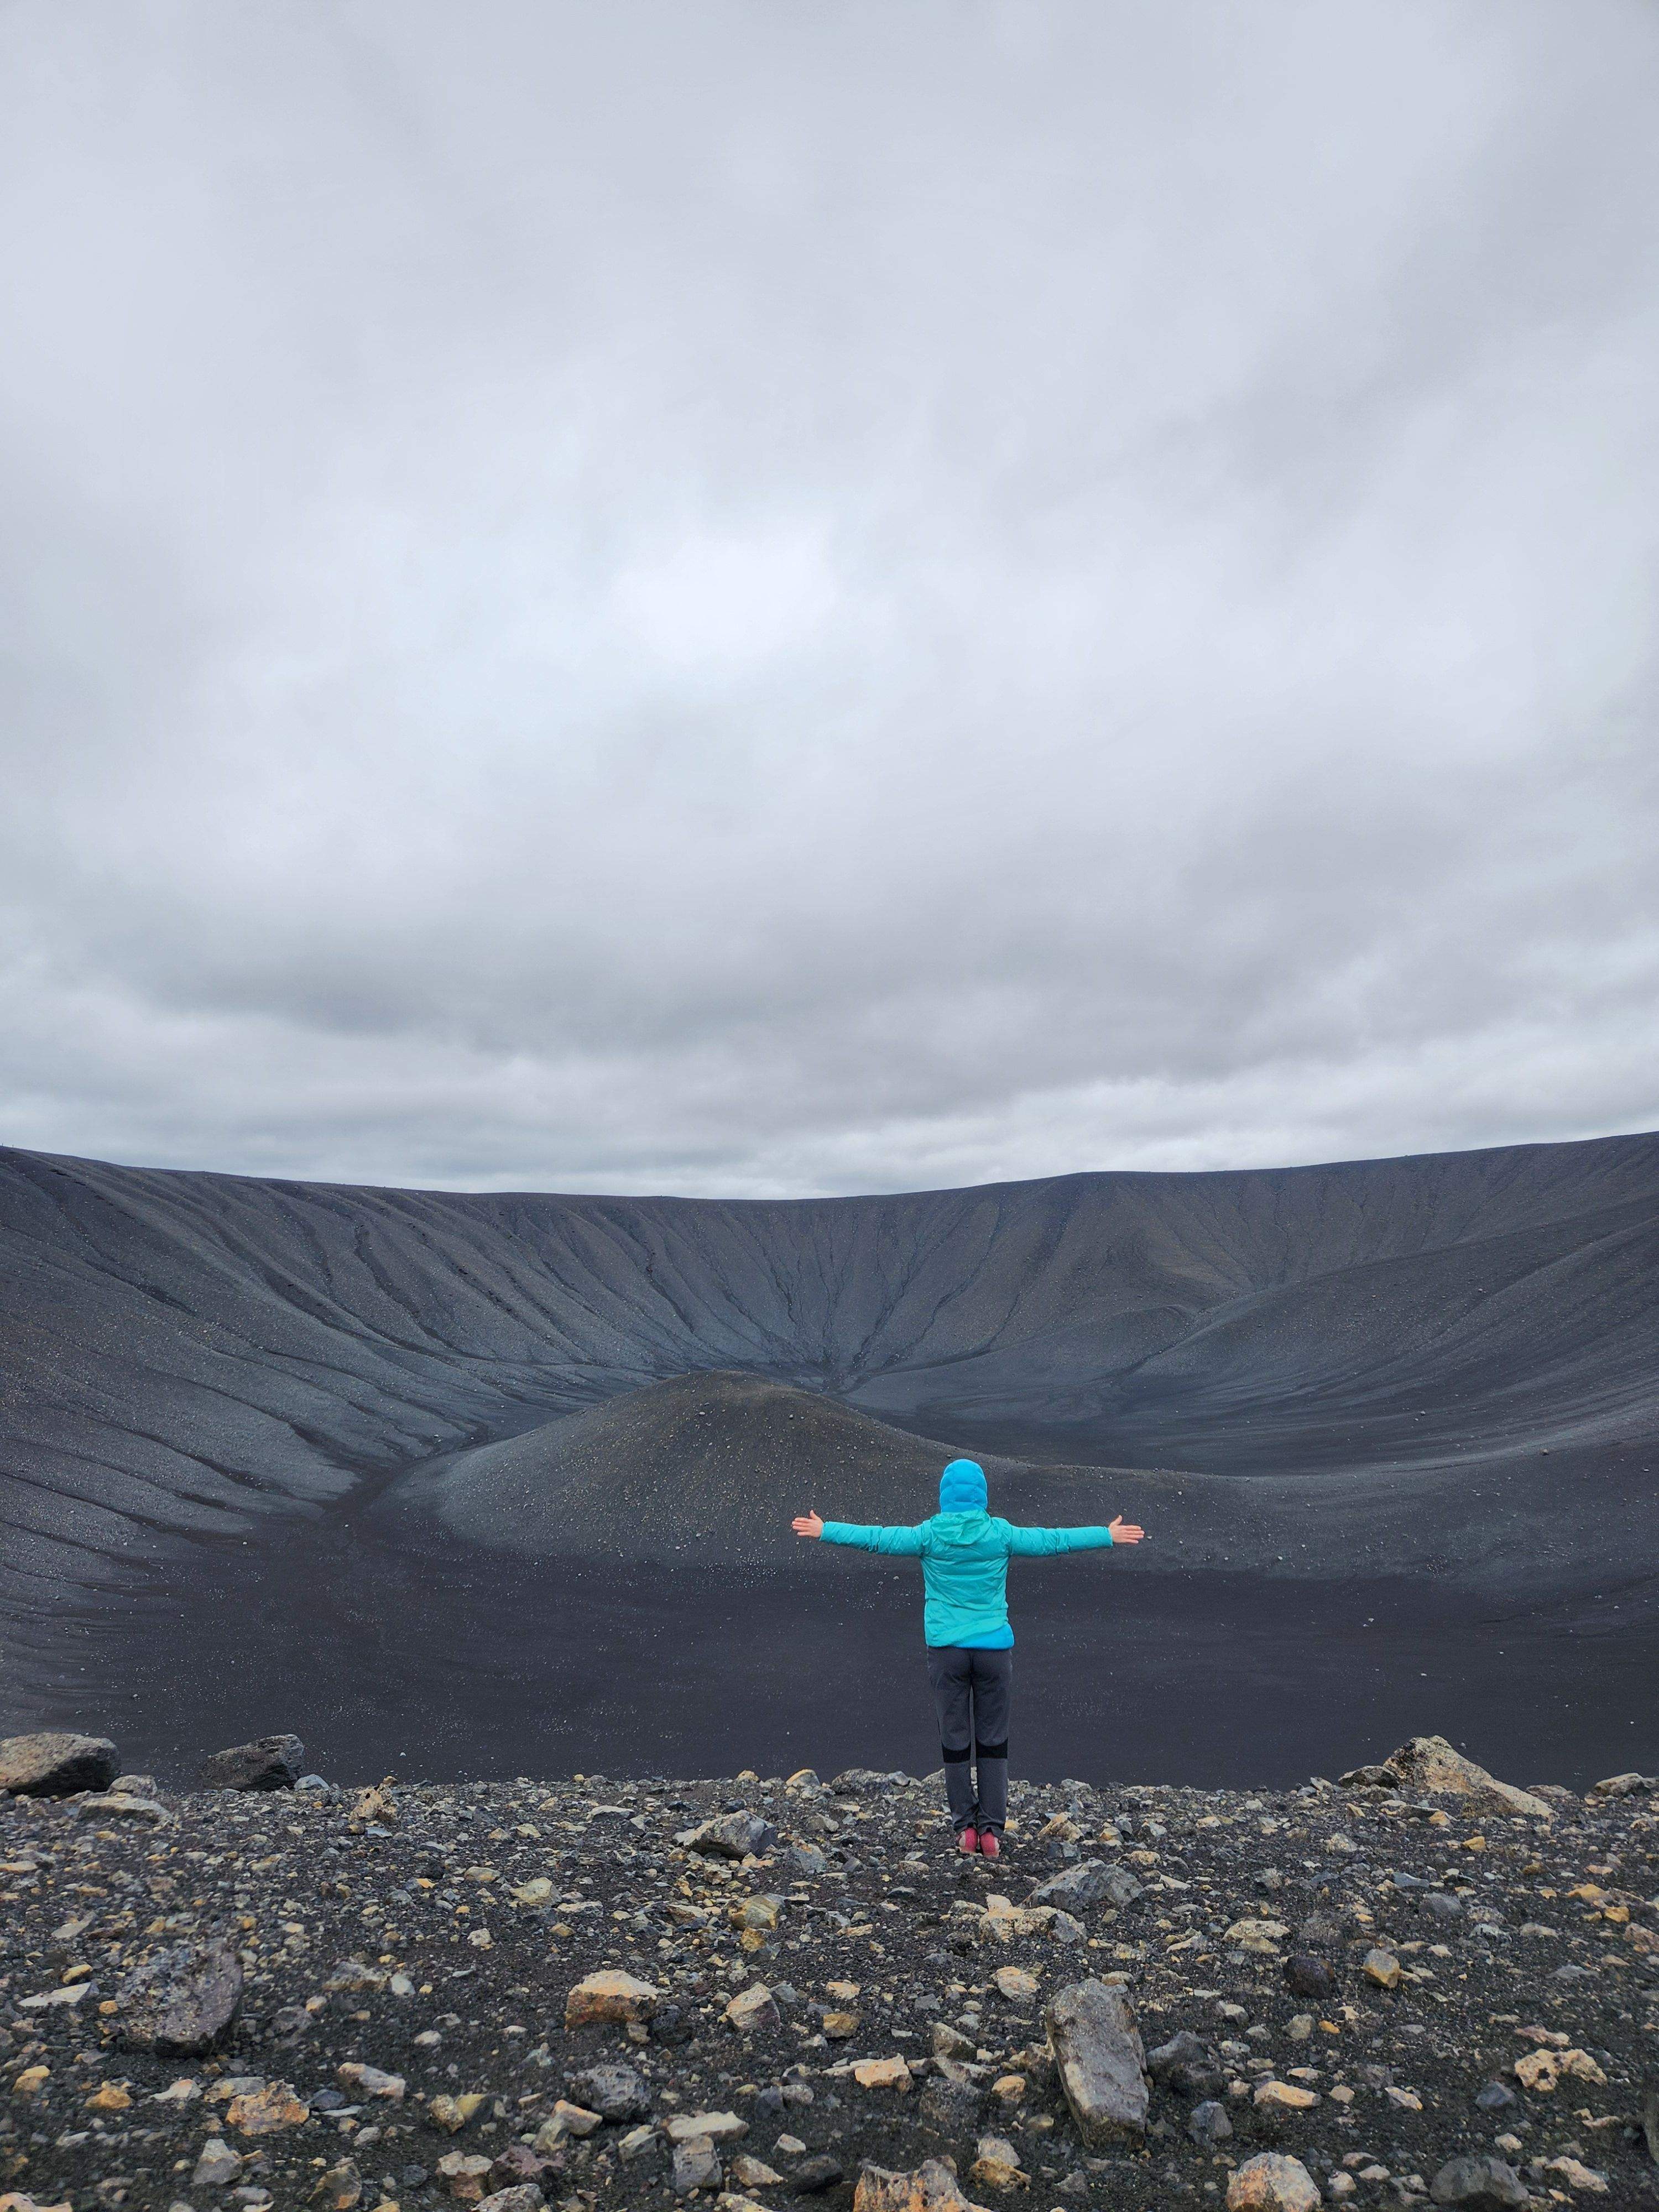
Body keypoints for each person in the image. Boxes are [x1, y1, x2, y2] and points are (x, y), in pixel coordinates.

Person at [791, 1458, 1144, 1857]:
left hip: (947, 1653)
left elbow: (878, 1538)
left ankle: (966, 1831)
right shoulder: (1000, 1534)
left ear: (945, 1496)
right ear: (981, 1496)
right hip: (994, 1652)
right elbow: (1052, 1540)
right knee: (993, 1742)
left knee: (954, 1742)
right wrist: (1105, 1535)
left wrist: (825, 1530)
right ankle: (991, 1832)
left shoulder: (928, 1535)